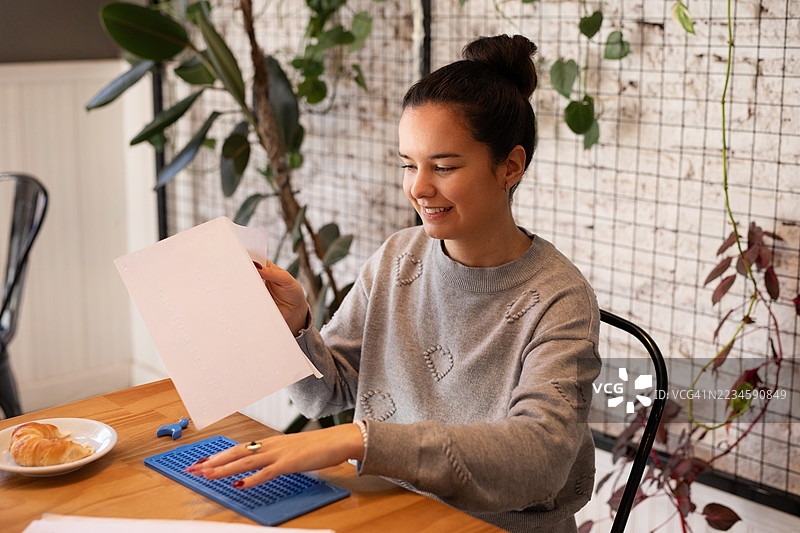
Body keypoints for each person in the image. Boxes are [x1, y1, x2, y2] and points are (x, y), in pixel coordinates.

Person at [186, 34, 602, 533]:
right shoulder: (398, 259)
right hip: (388, 511)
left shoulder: (559, 299)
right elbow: (327, 393)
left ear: (509, 166)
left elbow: (541, 460)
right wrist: (295, 328)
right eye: (409, 164)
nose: (418, 188)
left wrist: (360, 441)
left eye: (444, 167)